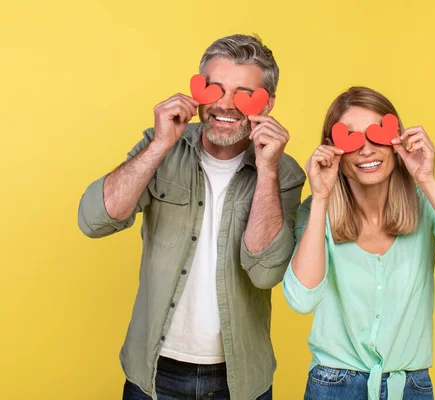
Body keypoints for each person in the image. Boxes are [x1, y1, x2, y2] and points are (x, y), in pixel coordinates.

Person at [78, 34, 306, 400]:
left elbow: (265, 272)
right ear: (196, 90)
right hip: (154, 373)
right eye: (214, 89)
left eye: (243, 94)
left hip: (240, 378)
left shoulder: (285, 173)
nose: (225, 105)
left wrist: (267, 169)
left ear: (268, 103)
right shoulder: (160, 147)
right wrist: (159, 146)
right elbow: (94, 220)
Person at [283, 86, 435, 400]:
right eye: (351, 138)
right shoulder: (317, 212)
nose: (367, 150)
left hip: (410, 387)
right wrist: (320, 197)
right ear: (333, 150)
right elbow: (301, 300)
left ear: (397, 140)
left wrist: (426, 180)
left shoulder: (425, 205)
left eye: (377, 135)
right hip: (333, 386)